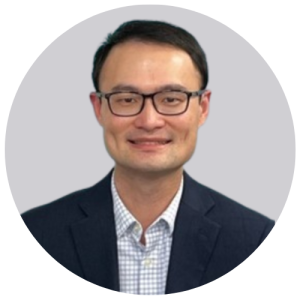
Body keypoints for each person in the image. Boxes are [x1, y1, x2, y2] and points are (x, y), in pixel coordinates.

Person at [20, 20, 275, 295]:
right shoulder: (38, 233)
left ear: (202, 108)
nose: (149, 121)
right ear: (99, 108)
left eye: (171, 99)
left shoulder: (254, 239)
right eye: (127, 99)